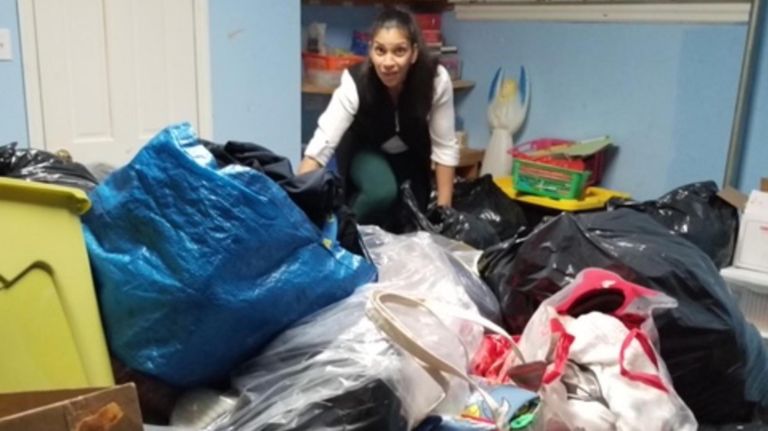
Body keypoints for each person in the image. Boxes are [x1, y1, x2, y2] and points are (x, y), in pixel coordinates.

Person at [299, 7, 459, 230]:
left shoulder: (435, 80)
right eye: (380, 50)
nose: (388, 62)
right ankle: (343, 233)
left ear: (414, 53)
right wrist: (295, 201)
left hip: (412, 153)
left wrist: (444, 215)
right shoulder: (355, 83)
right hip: (365, 149)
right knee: (381, 191)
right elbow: (321, 145)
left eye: (399, 51)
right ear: (371, 51)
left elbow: (445, 149)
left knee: (413, 221)